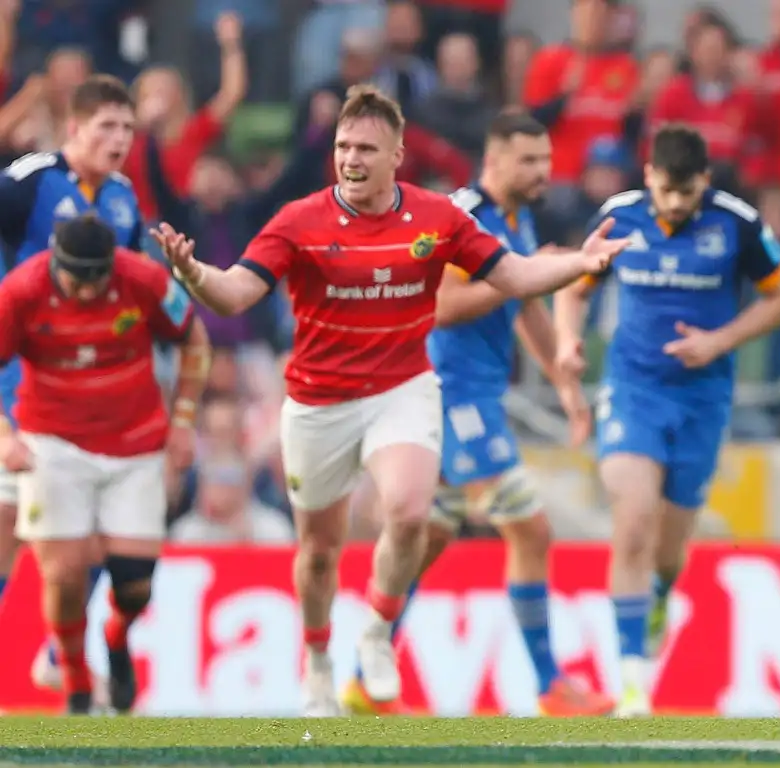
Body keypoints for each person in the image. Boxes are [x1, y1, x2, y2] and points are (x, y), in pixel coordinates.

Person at [150, 84, 631, 717]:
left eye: (366, 148)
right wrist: (193, 274)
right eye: (343, 146)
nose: (350, 158)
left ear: (397, 155)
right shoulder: (299, 221)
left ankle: (377, 637)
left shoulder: (438, 219)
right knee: (320, 554)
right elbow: (237, 294)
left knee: (407, 513)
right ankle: (322, 663)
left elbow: (515, 278)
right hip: (320, 402)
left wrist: (581, 262)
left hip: (404, 389)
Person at [340, 111, 612, 717]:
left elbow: (524, 307)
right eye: (529, 161)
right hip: (448, 393)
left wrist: (564, 386)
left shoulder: (515, 218)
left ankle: (364, 677)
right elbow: (441, 305)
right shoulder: (461, 217)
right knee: (530, 529)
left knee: (423, 541)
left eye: (546, 160)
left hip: (472, 395)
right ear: (494, 160)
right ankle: (549, 685)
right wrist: (522, 275)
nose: (543, 171)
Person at [553, 123, 780, 717]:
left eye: (686, 194)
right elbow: (573, 287)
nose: (674, 205)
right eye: (665, 192)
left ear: (704, 183)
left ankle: (661, 591)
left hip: (702, 398)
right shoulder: (620, 216)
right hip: (633, 389)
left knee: (669, 544)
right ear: (648, 179)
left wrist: (719, 342)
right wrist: (566, 342)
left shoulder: (735, 222)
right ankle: (633, 683)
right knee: (632, 518)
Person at [0, 215, 210, 714]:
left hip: (135, 443)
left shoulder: (142, 279)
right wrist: (5, 436)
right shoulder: (20, 292)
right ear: (57, 265)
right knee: (66, 575)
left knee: (135, 583)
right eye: (79, 281)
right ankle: (74, 678)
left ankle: (116, 639)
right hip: (53, 443)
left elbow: (194, 340)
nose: (90, 292)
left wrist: (182, 422)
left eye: (99, 279)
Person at [0, 75, 147, 698]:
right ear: (74, 130)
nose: (118, 140)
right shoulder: (30, 179)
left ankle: (64, 652)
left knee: (90, 536)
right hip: (17, 384)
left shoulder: (123, 200)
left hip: (85, 393)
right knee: (6, 526)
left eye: (127, 129)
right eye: (106, 127)